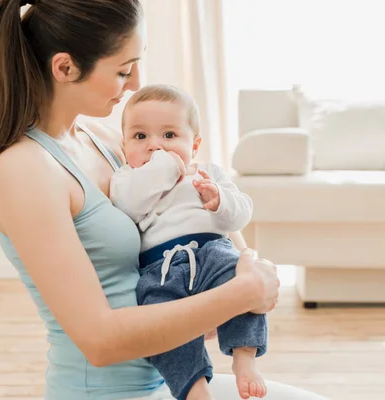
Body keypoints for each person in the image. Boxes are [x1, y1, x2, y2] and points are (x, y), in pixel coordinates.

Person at [0, 1, 328, 399]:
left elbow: (189, 203)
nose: (136, 82)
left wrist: (238, 269)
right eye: (123, 69)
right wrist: (239, 294)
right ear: (65, 68)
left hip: (169, 383)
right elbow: (100, 341)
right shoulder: (25, 170)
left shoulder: (102, 138)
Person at [110, 84, 268, 400]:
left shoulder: (207, 173)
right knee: (160, 324)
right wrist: (164, 167)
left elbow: (241, 214)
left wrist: (220, 200)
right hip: (160, 267)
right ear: (124, 144)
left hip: (212, 250)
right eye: (140, 137)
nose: (155, 146)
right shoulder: (127, 178)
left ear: (194, 145)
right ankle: (194, 386)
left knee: (242, 278)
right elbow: (127, 204)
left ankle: (244, 357)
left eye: (169, 136)